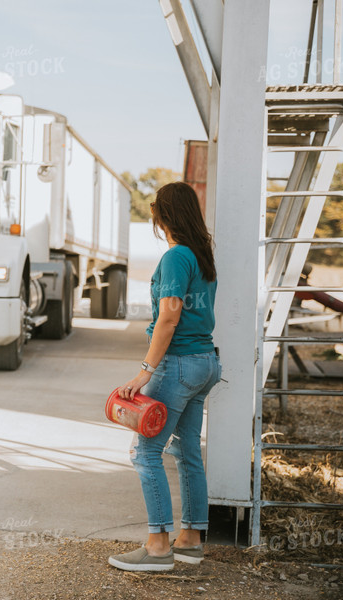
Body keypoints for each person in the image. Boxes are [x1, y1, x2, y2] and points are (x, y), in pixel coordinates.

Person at [108, 181, 222, 572]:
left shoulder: (176, 257)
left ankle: (158, 547)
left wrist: (145, 371)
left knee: (146, 451)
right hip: (205, 362)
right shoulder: (201, 255)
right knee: (187, 450)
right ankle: (190, 540)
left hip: (178, 365)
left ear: (163, 215)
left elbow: (169, 317)